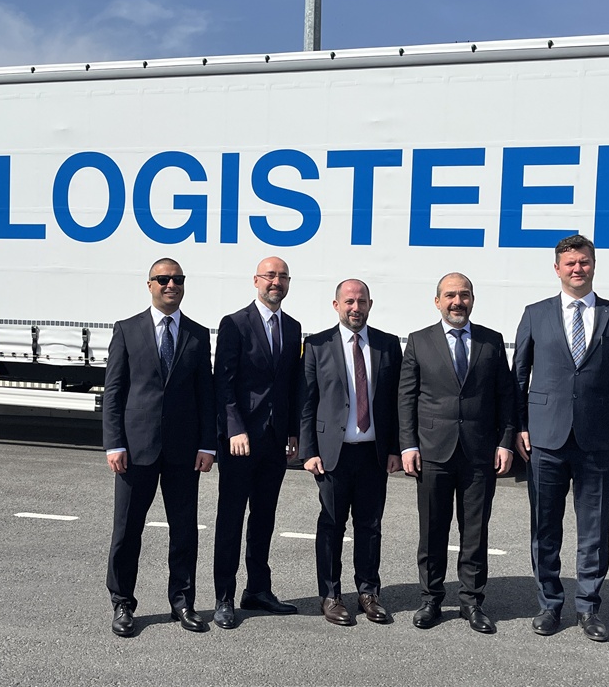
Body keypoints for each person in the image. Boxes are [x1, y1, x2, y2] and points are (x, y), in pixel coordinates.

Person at [513, 234, 609, 643]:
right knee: (544, 529)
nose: (577, 269)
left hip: (598, 441)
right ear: (557, 269)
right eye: (569, 263)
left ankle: (588, 607)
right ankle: (549, 605)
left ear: (593, 265)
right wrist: (519, 427)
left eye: (584, 262)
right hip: (545, 440)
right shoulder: (535, 314)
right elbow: (518, 377)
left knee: (594, 531)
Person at [103, 258, 217, 638]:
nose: (171, 285)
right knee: (126, 530)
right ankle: (122, 603)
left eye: (177, 279)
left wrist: (208, 444)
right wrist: (114, 444)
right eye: (163, 279)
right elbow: (114, 392)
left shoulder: (197, 334)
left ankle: (182, 602)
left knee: (184, 531)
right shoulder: (127, 329)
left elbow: (205, 394)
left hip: (184, 451)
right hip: (136, 450)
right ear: (149, 284)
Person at [398, 272, 517, 633]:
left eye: (464, 295)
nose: (457, 302)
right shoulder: (419, 341)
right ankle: (431, 599)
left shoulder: (491, 341)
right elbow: (406, 398)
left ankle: (472, 601)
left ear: (472, 300)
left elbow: (506, 396)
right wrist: (408, 444)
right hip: (432, 452)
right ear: (437, 301)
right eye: (450, 295)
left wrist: (505, 442)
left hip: (479, 452)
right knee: (432, 530)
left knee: (475, 532)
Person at [299, 279, 403, 626]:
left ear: (370, 304)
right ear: (336, 305)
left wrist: (396, 448)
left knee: (370, 526)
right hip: (333, 454)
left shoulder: (388, 345)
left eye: (361, 301)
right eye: (349, 302)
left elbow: (396, 402)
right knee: (331, 524)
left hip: (374, 453)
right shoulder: (317, 345)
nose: (355, 308)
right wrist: (308, 451)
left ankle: (369, 593)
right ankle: (330, 595)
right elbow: (307, 401)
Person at [211, 256, 303, 629]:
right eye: (270, 275)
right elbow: (224, 382)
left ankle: (258, 590)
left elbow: (292, 385)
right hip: (240, 441)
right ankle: (224, 597)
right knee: (231, 519)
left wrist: (293, 431)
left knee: (264, 518)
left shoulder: (293, 327)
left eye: (282, 276)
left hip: (275, 441)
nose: (276, 282)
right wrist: (234, 428)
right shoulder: (234, 324)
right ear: (256, 280)